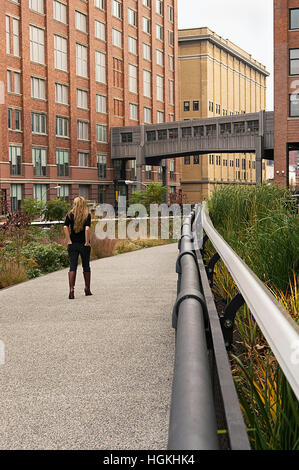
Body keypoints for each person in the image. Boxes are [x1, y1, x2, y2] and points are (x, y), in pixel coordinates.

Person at [63, 196, 92, 299]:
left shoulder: (70, 215)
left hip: (73, 244)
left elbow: (65, 227)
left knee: (73, 266)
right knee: (86, 266)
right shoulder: (87, 215)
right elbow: (87, 229)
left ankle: (71, 290)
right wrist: (86, 242)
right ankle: (87, 289)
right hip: (84, 244)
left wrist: (69, 240)